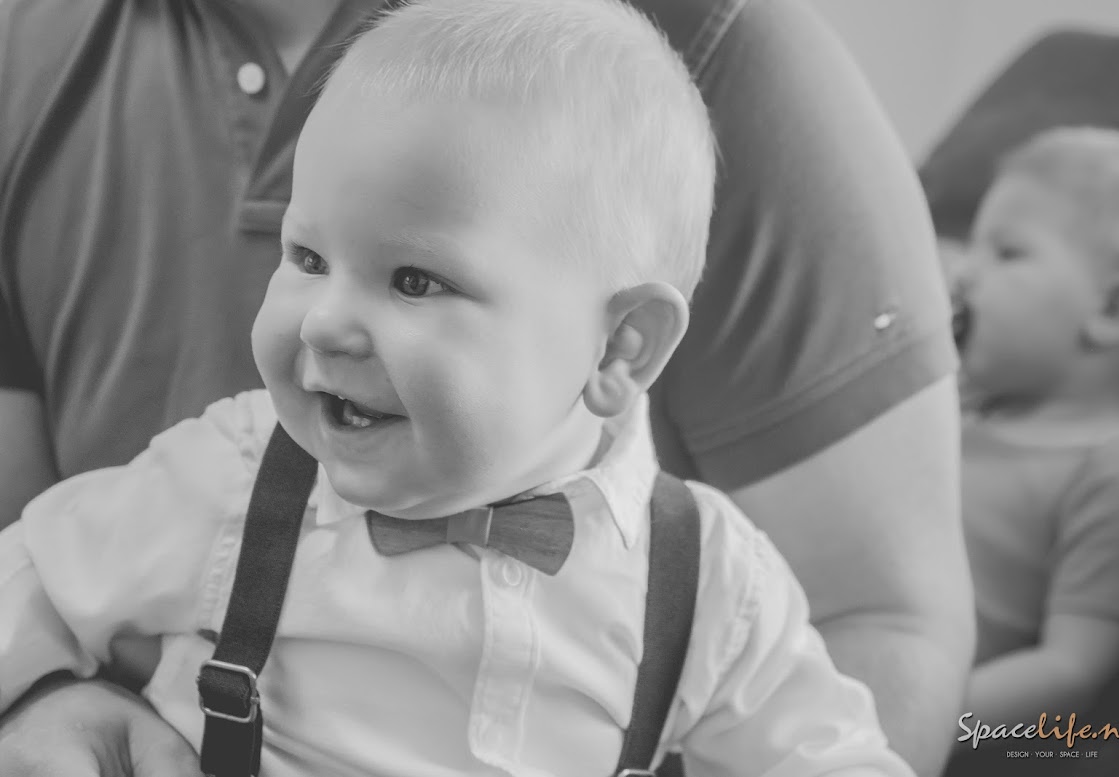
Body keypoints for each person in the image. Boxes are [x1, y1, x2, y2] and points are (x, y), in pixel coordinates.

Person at [0, 0, 970, 775]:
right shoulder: (227, 481)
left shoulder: (705, 578)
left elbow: (832, 751)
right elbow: (28, 582)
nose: (325, 322)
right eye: (307, 256)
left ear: (618, 347)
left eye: (414, 280)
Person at [943, 127, 1119, 773]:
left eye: (1007, 252)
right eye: (972, 245)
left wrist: (907, 720)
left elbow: (1071, 674)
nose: (965, 271)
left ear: (1114, 309)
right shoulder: (950, 415)